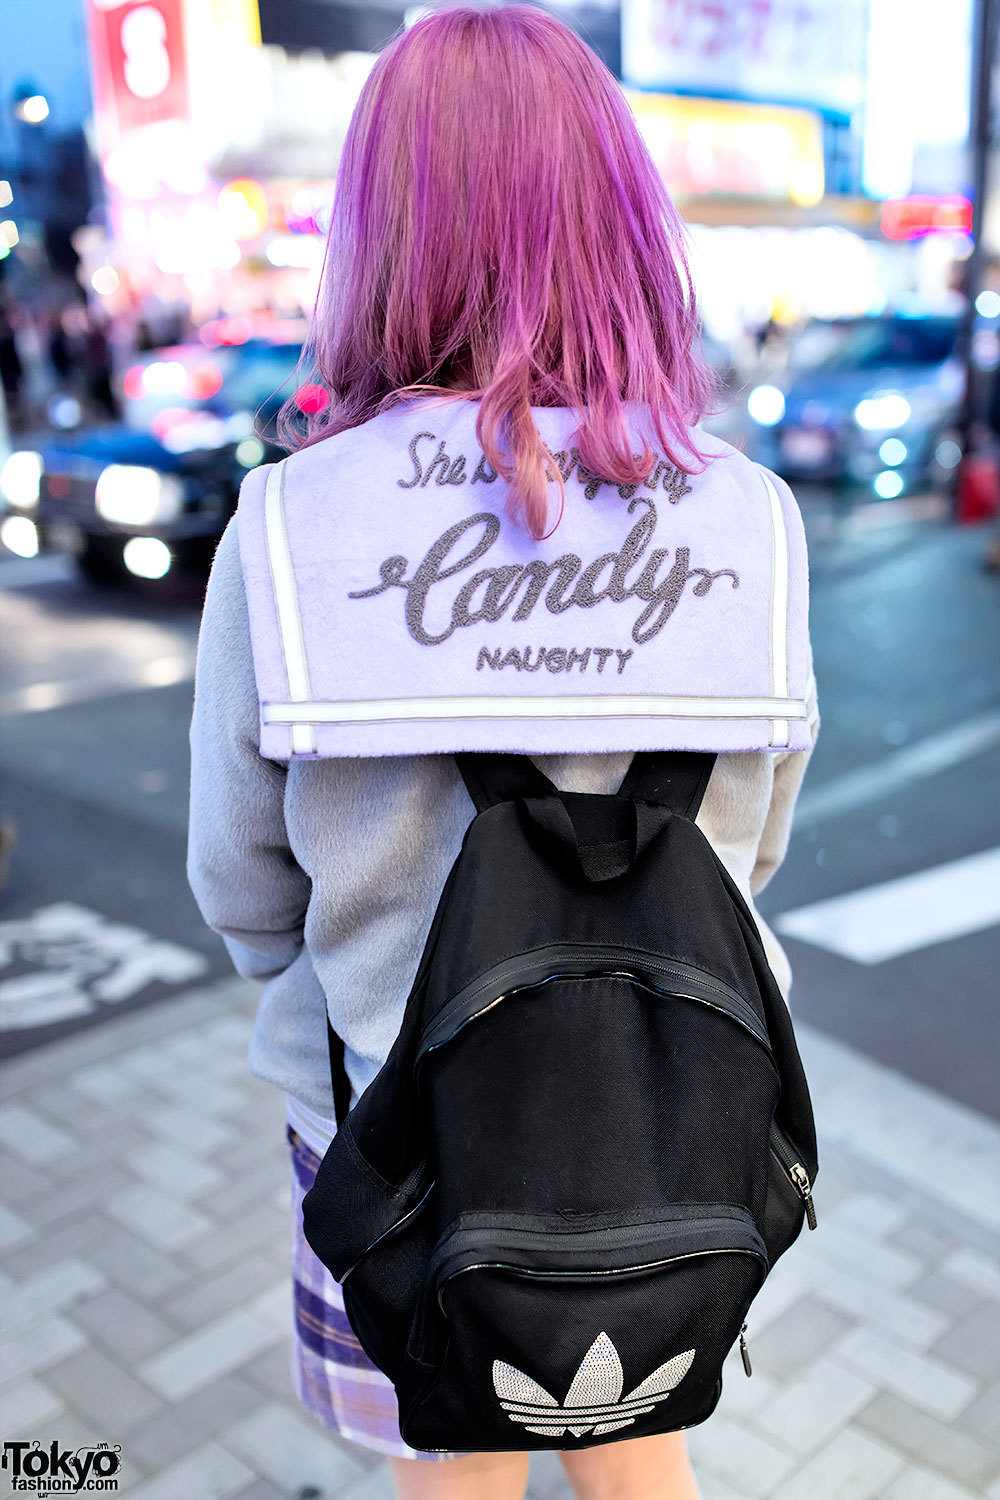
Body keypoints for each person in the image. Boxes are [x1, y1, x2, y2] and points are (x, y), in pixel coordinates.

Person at [187, 8, 820, 1498]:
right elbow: (756, 848)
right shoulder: (750, 521)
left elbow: (241, 888)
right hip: (678, 1115)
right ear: (618, 210)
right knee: (638, 1432)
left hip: (392, 1131)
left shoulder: (292, 530)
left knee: (449, 1457)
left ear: (380, 227)